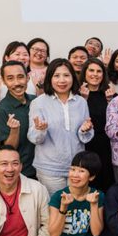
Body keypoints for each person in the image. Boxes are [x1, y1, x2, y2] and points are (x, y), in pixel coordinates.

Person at [28, 59, 94, 197]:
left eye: (66, 75)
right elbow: (34, 138)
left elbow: (85, 136)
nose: (62, 80)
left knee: (74, 210)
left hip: (77, 168)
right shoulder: (38, 103)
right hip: (49, 169)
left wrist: (85, 130)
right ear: (50, 78)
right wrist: (40, 129)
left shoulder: (81, 102)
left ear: (73, 77)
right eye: (56, 76)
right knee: (56, 211)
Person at [0, 61, 37, 178]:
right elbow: (8, 149)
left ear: (27, 77)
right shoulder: (2, 109)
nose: (17, 83)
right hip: (23, 173)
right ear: (3, 81)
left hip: (44, 168)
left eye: (20, 77)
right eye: (10, 78)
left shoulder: (36, 101)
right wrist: (14, 130)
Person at [80, 58, 116, 191]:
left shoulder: (110, 94)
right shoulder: (76, 95)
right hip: (85, 145)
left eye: (99, 71)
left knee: (105, 182)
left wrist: (110, 101)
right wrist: (83, 99)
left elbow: (115, 122)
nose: (95, 74)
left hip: (105, 146)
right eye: (91, 70)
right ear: (85, 73)